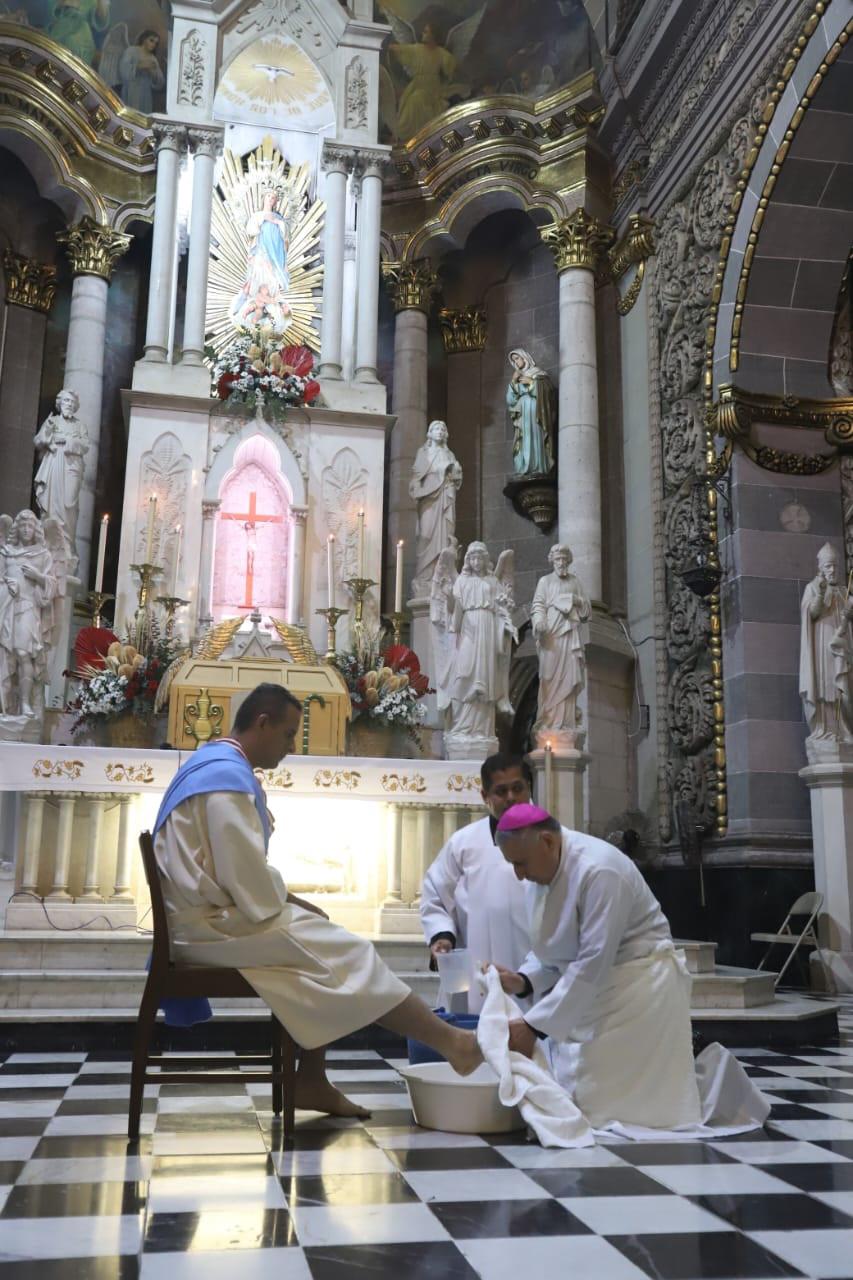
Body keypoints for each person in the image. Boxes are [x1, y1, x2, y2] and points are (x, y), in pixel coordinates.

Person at [152, 683, 481, 1117]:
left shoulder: (212, 763)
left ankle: (311, 1081)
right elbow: (244, 879)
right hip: (206, 926)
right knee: (348, 951)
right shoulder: (225, 780)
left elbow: (233, 872)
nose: (292, 746)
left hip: (207, 917)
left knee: (319, 942)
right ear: (262, 723)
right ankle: (453, 1043)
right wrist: (282, 899)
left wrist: (288, 899)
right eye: (288, 734)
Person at [493, 803, 769, 1133]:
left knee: (609, 1101)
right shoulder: (543, 873)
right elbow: (551, 943)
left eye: (520, 863)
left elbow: (593, 959)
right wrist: (523, 979)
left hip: (639, 983)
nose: (518, 875)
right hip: (599, 984)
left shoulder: (599, 869)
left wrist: (535, 1026)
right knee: (585, 1092)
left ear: (548, 842)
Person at [420, 753, 533, 1012]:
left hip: (530, 965)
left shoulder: (550, 839)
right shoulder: (464, 843)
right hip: (475, 964)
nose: (511, 798)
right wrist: (442, 936)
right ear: (485, 797)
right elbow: (435, 893)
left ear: (529, 787)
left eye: (518, 788)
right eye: (500, 791)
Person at [531, 543, 591, 744]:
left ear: (569, 561)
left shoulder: (575, 582)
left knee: (569, 678)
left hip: (569, 636)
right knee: (548, 677)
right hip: (551, 637)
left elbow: (586, 610)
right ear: (552, 560)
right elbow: (538, 605)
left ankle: (566, 723)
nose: (561, 563)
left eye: (565, 559)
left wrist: (576, 600)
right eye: (558, 559)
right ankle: (548, 720)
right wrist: (539, 621)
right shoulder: (545, 581)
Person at [799, 542, 853, 743]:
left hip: (841, 645)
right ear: (820, 567)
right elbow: (811, 613)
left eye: (835, 566)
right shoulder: (812, 588)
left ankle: (844, 729)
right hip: (822, 645)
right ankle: (825, 729)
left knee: (843, 688)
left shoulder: (841, 592)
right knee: (825, 688)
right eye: (828, 566)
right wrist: (821, 594)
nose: (833, 570)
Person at [33, 388, 90, 563]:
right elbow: (38, 441)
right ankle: (49, 544)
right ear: (60, 403)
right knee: (50, 506)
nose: (69, 405)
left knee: (68, 505)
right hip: (53, 464)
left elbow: (85, 445)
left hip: (71, 466)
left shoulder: (80, 426)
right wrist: (49, 434)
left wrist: (68, 442)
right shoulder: (52, 420)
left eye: (72, 402)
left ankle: (66, 546)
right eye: (66, 401)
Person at [409, 420, 463, 597]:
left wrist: (454, 471)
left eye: (442, 429)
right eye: (436, 429)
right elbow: (416, 478)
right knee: (426, 536)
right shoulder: (423, 453)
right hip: (428, 499)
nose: (439, 431)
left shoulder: (450, 454)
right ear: (430, 434)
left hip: (445, 498)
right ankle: (424, 577)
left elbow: (457, 477)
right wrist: (417, 489)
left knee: (445, 536)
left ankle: (442, 576)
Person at [506, 348, 555, 477]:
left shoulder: (538, 374)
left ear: (524, 357)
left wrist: (532, 383)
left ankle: (539, 466)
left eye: (517, 358)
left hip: (536, 412)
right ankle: (524, 467)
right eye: (513, 360)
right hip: (523, 416)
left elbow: (548, 392)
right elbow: (510, 401)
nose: (516, 362)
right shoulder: (516, 378)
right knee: (524, 440)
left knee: (536, 437)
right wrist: (512, 382)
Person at [118, 30, 164, 113]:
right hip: (132, 89)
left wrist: (152, 73)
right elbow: (123, 70)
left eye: (156, 43)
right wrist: (139, 66)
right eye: (151, 40)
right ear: (144, 39)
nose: (153, 44)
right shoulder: (131, 51)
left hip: (145, 93)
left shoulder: (153, 58)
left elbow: (160, 82)